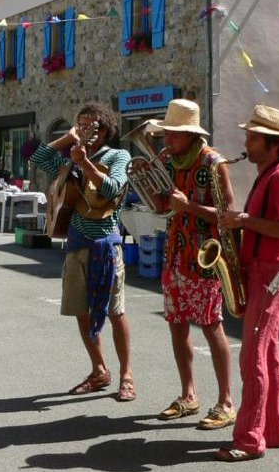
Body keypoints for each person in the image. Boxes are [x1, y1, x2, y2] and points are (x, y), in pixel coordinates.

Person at [30, 101, 137, 402]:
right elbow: (38, 157)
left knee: (115, 311)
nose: (81, 130)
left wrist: (86, 163)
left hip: (105, 245)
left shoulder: (119, 155)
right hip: (76, 243)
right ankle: (99, 370)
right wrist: (67, 139)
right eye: (79, 125)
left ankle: (127, 375)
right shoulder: (71, 159)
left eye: (87, 125)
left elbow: (112, 189)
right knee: (81, 311)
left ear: (102, 130)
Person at [215, 104, 279, 462]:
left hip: (272, 272)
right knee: (268, 354)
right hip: (263, 270)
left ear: (272, 144)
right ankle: (275, 431)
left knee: (252, 354)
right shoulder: (269, 173)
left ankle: (249, 439)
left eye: (252, 139)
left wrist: (244, 221)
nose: (246, 144)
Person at [149, 100, 237, 430]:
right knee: (176, 324)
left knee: (212, 326)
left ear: (189, 133)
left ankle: (226, 401)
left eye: (172, 134)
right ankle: (189, 395)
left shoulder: (214, 163)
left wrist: (189, 207)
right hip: (174, 254)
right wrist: (159, 200)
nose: (165, 140)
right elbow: (164, 209)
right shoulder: (168, 161)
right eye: (166, 134)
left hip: (205, 258)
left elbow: (229, 216)